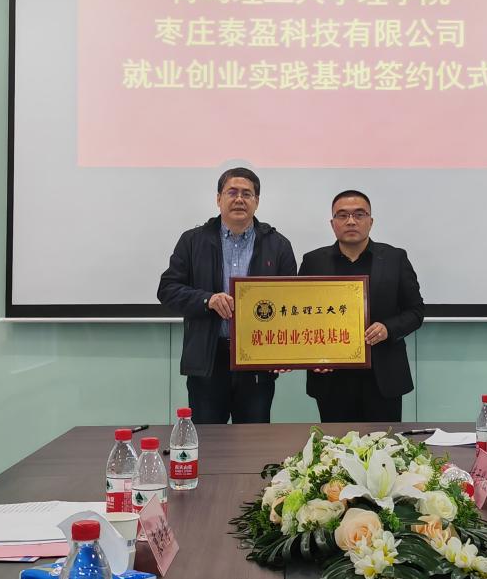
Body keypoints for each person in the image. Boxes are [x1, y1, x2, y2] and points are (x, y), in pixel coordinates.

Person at [158, 167, 296, 424]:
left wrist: (284, 352)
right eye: (232, 192)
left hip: (257, 361)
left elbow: (291, 304)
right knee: (209, 440)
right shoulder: (192, 241)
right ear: (218, 198)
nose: (239, 199)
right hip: (209, 359)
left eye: (247, 193)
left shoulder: (278, 245)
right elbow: (167, 289)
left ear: (257, 201)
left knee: (254, 440)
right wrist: (207, 300)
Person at [300, 190, 424, 422]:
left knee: (383, 442)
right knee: (336, 443)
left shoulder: (395, 258)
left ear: (370, 221)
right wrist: (313, 356)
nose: (351, 221)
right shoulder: (313, 261)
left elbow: (416, 311)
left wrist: (388, 328)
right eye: (342, 215)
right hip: (332, 377)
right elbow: (301, 317)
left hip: (383, 375)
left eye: (359, 214)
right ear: (332, 223)